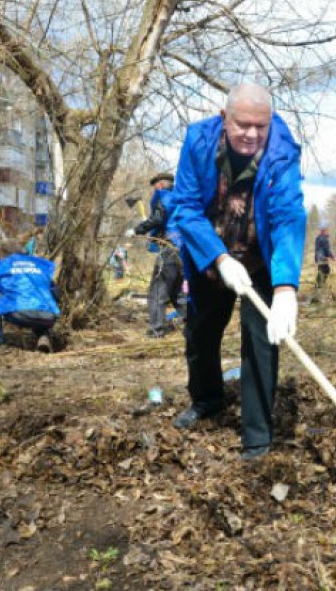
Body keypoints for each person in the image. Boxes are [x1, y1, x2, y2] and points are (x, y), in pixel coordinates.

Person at [166, 82, 306, 461]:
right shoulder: (198, 143)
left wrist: (285, 288)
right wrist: (220, 259)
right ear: (224, 117)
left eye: (260, 126)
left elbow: (288, 215)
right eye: (243, 124)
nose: (252, 135)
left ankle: (257, 438)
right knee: (201, 333)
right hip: (210, 256)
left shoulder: (281, 153)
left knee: (261, 341)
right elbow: (186, 209)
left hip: (261, 259)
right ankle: (207, 399)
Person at [128, 172, 185, 337]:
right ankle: (191, 323)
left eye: (154, 186)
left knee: (157, 291)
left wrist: (137, 230)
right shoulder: (180, 197)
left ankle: (156, 330)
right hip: (182, 250)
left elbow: (157, 218)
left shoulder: (164, 196)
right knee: (176, 291)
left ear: (160, 184)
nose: (154, 190)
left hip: (169, 248)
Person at [0, 242, 60, 353]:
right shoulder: (39, 265)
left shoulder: (5, 264)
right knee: (40, 302)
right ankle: (43, 336)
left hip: (20, 314)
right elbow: (56, 293)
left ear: (4, 254)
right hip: (49, 317)